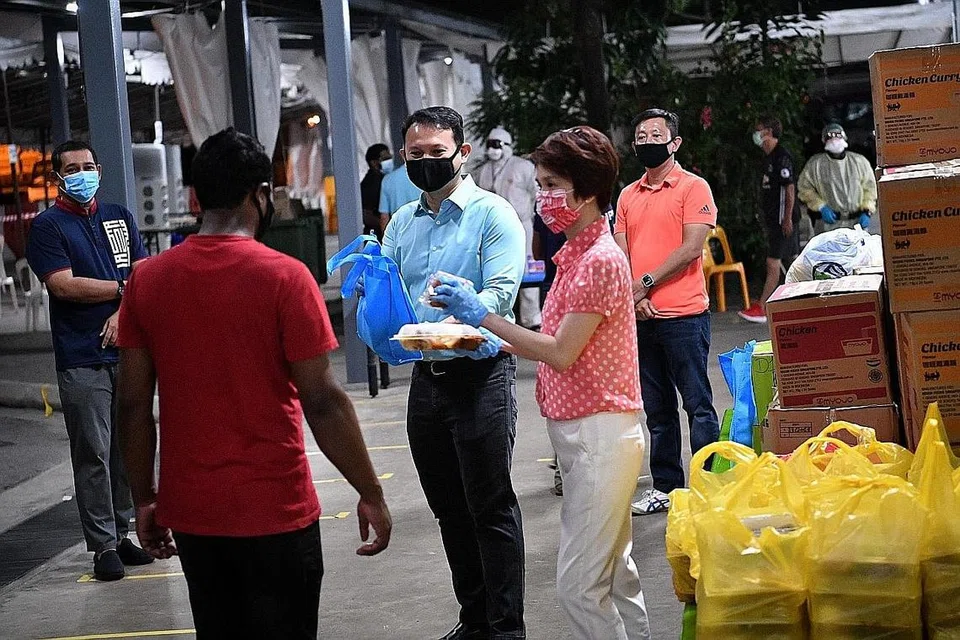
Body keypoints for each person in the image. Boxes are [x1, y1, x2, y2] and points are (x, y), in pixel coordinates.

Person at [115, 128, 392, 639]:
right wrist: (369, 491)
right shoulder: (286, 277)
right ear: (258, 196)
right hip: (276, 512)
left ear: (195, 198)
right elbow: (323, 402)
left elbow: (132, 406)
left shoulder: (148, 280)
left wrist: (145, 499)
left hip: (195, 515)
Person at [433, 125, 651, 640]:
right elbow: (557, 338)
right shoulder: (575, 253)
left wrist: (484, 316)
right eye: (540, 183)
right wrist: (501, 342)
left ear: (588, 190)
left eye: (552, 184)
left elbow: (559, 351)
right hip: (582, 432)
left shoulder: (598, 260)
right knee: (615, 572)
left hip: (600, 431)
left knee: (580, 584)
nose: (542, 196)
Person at [380, 106, 526, 640]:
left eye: (436, 153)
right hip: (427, 382)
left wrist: (442, 325)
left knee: (489, 507)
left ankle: (507, 628)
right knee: (449, 510)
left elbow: (499, 299)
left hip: (481, 377)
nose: (425, 163)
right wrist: (373, 298)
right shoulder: (401, 223)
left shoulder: (493, 215)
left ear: (462, 154)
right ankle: (475, 621)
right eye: (415, 155)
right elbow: (391, 301)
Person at [25, 140, 153, 581]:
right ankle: (102, 547)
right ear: (58, 177)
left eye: (88, 166)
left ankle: (121, 534)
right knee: (93, 453)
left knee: (125, 450)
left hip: (128, 350)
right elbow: (63, 285)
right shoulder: (48, 227)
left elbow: (142, 274)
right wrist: (121, 292)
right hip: (83, 356)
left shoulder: (120, 216)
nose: (82, 174)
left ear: (99, 168)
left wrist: (121, 312)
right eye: (72, 168)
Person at [613, 108, 720, 516]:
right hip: (640, 317)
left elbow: (691, 247)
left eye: (655, 135)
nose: (646, 141)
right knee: (657, 410)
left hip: (685, 316)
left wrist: (644, 285)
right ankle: (667, 487)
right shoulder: (627, 195)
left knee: (697, 403)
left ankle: (707, 485)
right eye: (640, 136)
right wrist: (635, 298)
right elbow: (620, 251)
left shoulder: (694, 188)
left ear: (674, 143)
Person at [476, 127, 541, 329]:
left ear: (506, 146)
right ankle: (501, 319)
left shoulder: (523, 166)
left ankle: (532, 320)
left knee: (527, 268)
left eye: (496, 144)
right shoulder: (485, 170)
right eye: (490, 144)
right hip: (495, 227)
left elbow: (536, 192)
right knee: (497, 270)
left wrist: (530, 214)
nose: (492, 149)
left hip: (522, 224)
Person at [738, 115, 801, 323]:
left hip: (782, 220)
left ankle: (763, 307)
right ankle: (797, 301)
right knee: (792, 260)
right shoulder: (769, 158)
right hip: (774, 218)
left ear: (769, 132)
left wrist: (787, 218)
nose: (756, 135)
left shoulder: (781, 157)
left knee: (773, 261)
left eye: (760, 130)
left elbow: (789, 189)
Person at [798, 123, 877, 234]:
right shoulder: (815, 165)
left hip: (856, 223)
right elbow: (804, 188)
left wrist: (867, 210)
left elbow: (870, 189)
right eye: (830, 137)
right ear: (824, 140)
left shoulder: (859, 162)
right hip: (828, 226)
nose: (834, 140)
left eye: (837, 136)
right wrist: (820, 206)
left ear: (844, 138)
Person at [360, 143, 393, 240]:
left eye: (389, 158)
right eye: (385, 159)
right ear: (374, 163)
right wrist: (385, 224)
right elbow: (366, 214)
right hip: (377, 236)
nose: (389, 161)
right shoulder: (370, 184)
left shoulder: (385, 179)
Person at [378, 153, 422, 220]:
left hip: (399, 228)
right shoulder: (429, 176)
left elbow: (384, 217)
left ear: (403, 154)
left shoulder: (388, 179)